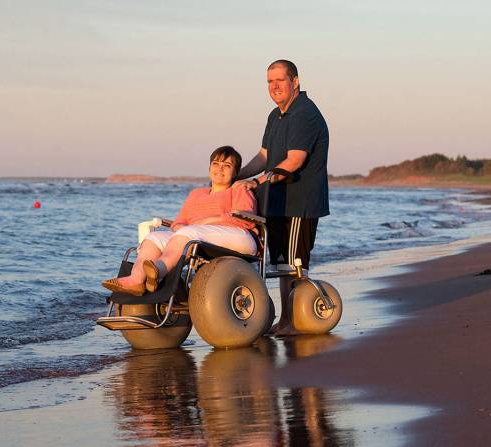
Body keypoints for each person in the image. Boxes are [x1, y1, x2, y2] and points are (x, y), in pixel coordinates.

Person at [234, 59, 330, 335]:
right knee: (280, 263)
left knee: (295, 265)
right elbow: (265, 156)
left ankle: (298, 320)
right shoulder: (275, 116)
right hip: (276, 201)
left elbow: (295, 160)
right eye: (269, 82)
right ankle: (287, 320)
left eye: (279, 80)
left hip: (299, 201)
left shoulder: (304, 114)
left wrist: (259, 181)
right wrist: (237, 176)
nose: (274, 87)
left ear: (295, 81)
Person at [103, 146, 257, 296]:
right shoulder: (197, 194)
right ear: (209, 168)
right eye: (216, 164)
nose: (220, 169)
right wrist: (179, 227)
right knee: (154, 238)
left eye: (227, 165)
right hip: (197, 235)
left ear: (236, 172)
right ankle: (136, 279)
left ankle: (158, 271)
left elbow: (245, 220)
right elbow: (179, 221)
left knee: (189, 232)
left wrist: (208, 221)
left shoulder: (239, 190)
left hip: (240, 237)